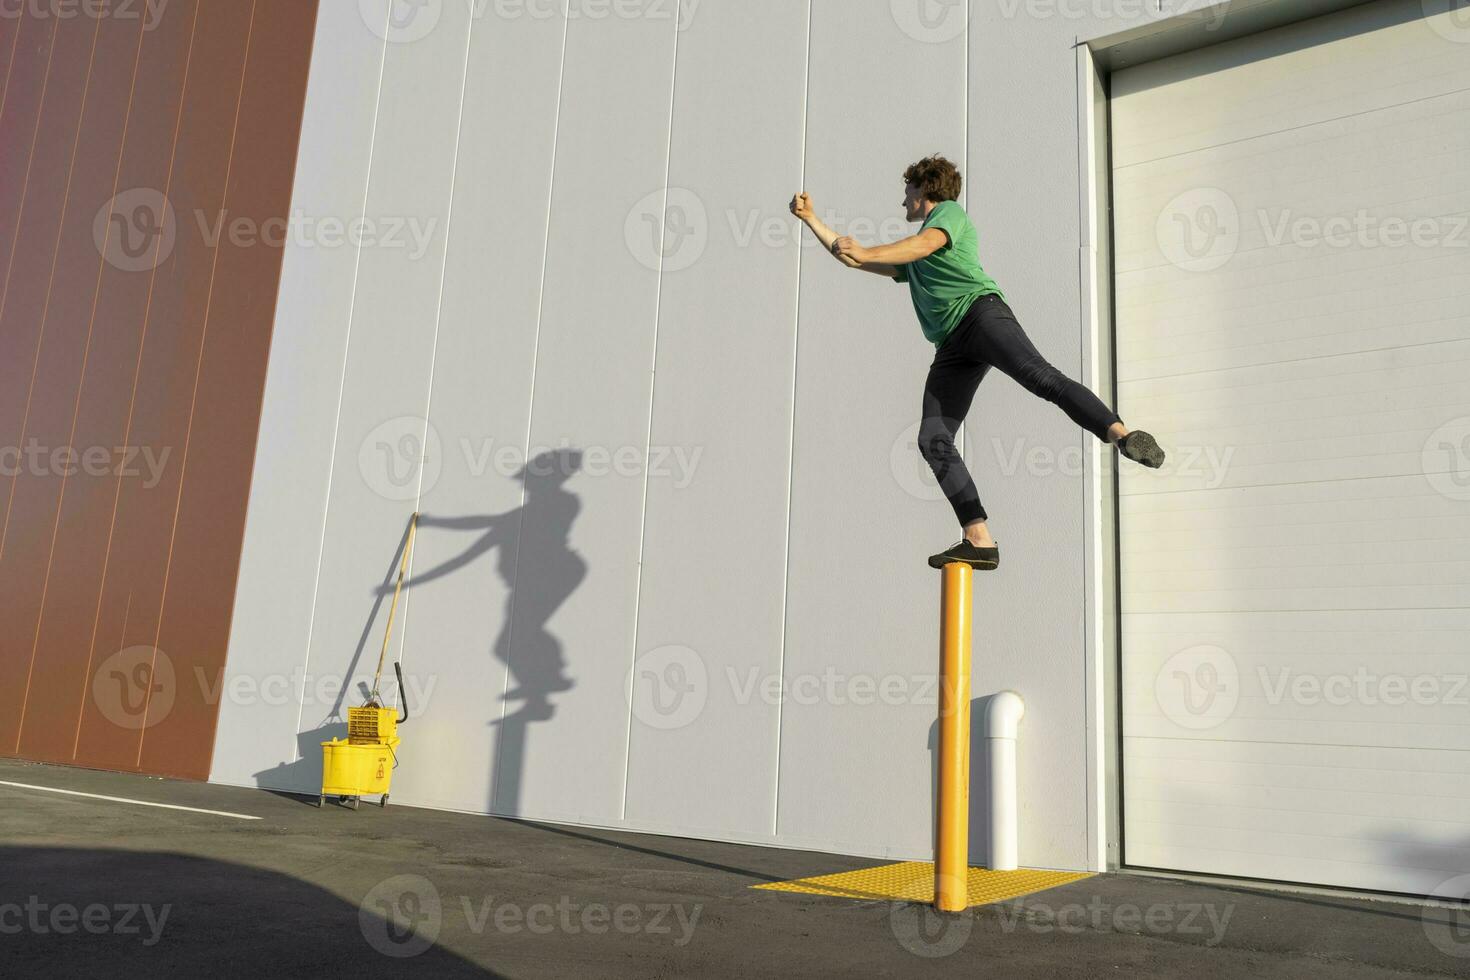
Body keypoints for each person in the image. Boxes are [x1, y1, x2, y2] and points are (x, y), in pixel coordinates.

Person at [790, 154, 1164, 571]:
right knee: (933, 439)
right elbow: (853, 258)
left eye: (907, 194)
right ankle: (979, 538)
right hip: (951, 347)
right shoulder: (911, 261)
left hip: (980, 315)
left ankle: (1121, 434)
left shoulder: (948, 215)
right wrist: (811, 219)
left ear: (924, 189)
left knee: (1042, 379)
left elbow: (925, 243)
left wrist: (867, 246)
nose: (903, 204)